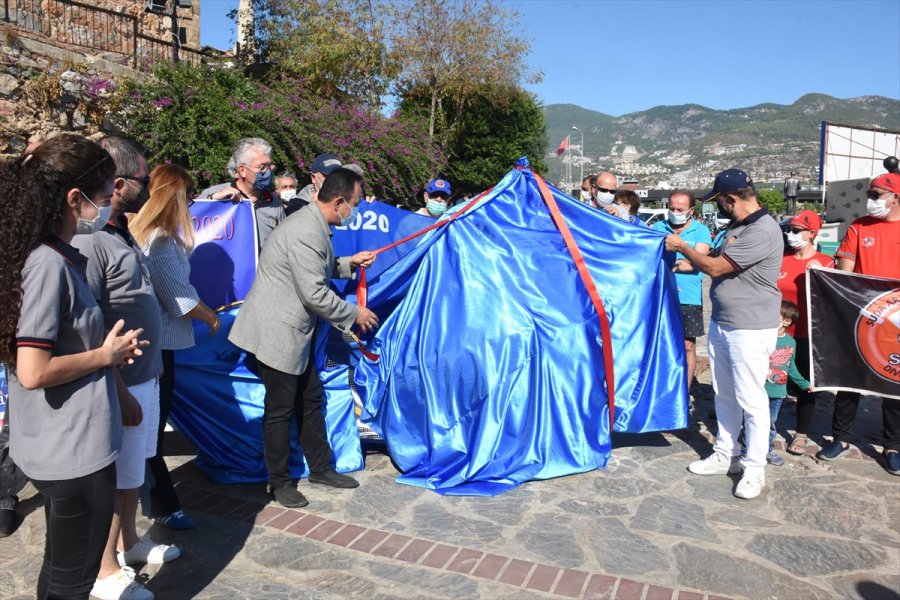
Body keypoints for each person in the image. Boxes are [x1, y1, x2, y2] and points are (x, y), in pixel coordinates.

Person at [0, 133, 146, 599]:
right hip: (71, 451)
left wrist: (112, 371)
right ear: (73, 198)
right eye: (105, 197)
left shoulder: (50, 256)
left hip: (70, 442)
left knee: (64, 568)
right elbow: (33, 370)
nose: (106, 208)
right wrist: (106, 355)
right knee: (72, 578)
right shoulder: (47, 264)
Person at [228, 168, 380, 509]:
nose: (352, 212)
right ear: (339, 201)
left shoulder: (314, 225)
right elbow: (313, 292)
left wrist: (348, 264)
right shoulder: (305, 230)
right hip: (278, 334)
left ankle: (321, 468)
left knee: (310, 399)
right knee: (280, 410)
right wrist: (355, 313)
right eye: (353, 205)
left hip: (298, 333)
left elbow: (314, 267)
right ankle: (279, 482)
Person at [71, 136, 176, 600]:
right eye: (142, 179)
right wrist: (118, 388)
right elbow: (86, 322)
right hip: (124, 382)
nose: (147, 187)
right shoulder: (89, 240)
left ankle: (129, 543)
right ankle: (105, 569)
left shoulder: (118, 229)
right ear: (118, 183)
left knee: (134, 473)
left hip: (144, 375)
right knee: (115, 477)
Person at [665, 168, 783, 500]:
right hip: (724, 322)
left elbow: (717, 268)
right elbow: (719, 260)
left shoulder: (762, 230)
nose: (717, 208)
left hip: (749, 327)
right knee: (725, 394)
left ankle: (754, 467)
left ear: (731, 200)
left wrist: (683, 248)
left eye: (718, 202)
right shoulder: (738, 226)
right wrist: (695, 263)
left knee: (751, 399)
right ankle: (725, 453)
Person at [129, 165, 221, 531]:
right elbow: (179, 299)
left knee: (148, 427)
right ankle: (163, 504)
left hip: (149, 341)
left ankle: (153, 499)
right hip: (159, 345)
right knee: (150, 430)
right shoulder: (161, 240)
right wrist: (212, 318)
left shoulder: (139, 233)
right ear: (177, 196)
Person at [816, 173, 900, 475]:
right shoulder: (859, 227)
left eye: (877, 194)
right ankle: (841, 438)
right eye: (870, 193)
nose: (871, 199)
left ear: (895, 198)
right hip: (861, 317)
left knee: (893, 383)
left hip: (896, 321)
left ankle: (893, 445)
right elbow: (845, 272)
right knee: (850, 381)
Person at [776, 209, 834, 456]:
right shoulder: (781, 257)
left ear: (812, 234)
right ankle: (764, 425)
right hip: (777, 331)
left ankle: (801, 434)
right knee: (771, 377)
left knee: (804, 384)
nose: (791, 235)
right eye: (789, 229)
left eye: (797, 231)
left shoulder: (826, 261)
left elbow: (833, 299)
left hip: (807, 333)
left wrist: (822, 272)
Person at [652, 189, 711, 392]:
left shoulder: (701, 231)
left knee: (688, 345)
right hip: (661, 296)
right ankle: (662, 388)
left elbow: (697, 262)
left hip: (689, 298)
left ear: (691, 210)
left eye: (680, 209)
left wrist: (673, 264)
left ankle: (683, 392)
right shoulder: (658, 227)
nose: (675, 211)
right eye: (672, 208)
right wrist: (682, 262)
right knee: (661, 344)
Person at [199, 138, 285, 250]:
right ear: (242, 170)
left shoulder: (274, 203)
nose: (268, 172)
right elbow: (187, 222)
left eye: (269, 166)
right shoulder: (214, 194)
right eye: (262, 167)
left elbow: (283, 245)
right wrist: (212, 200)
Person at [764, 301, 812, 467]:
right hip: (759, 389)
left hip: (777, 392)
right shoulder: (762, 337)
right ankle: (747, 449)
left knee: (770, 423)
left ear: (787, 321)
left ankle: (768, 449)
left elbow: (792, 368)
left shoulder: (791, 343)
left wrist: (805, 384)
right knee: (750, 420)